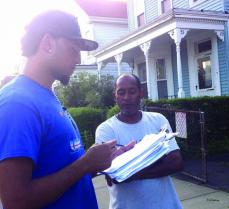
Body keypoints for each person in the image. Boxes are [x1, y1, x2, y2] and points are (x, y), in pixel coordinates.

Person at [0, 10, 124, 209]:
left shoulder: (46, 96)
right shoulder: (18, 103)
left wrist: (95, 163)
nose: (78, 59)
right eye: (73, 49)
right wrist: (85, 164)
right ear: (48, 43)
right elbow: (16, 201)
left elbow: (59, 169)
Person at [95, 74, 184, 209]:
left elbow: (176, 162)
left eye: (132, 91)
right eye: (121, 92)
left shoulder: (158, 120)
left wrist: (132, 171)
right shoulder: (106, 130)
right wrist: (157, 160)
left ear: (141, 93)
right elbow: (115, 177)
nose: (127, 97)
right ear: (115, 97)